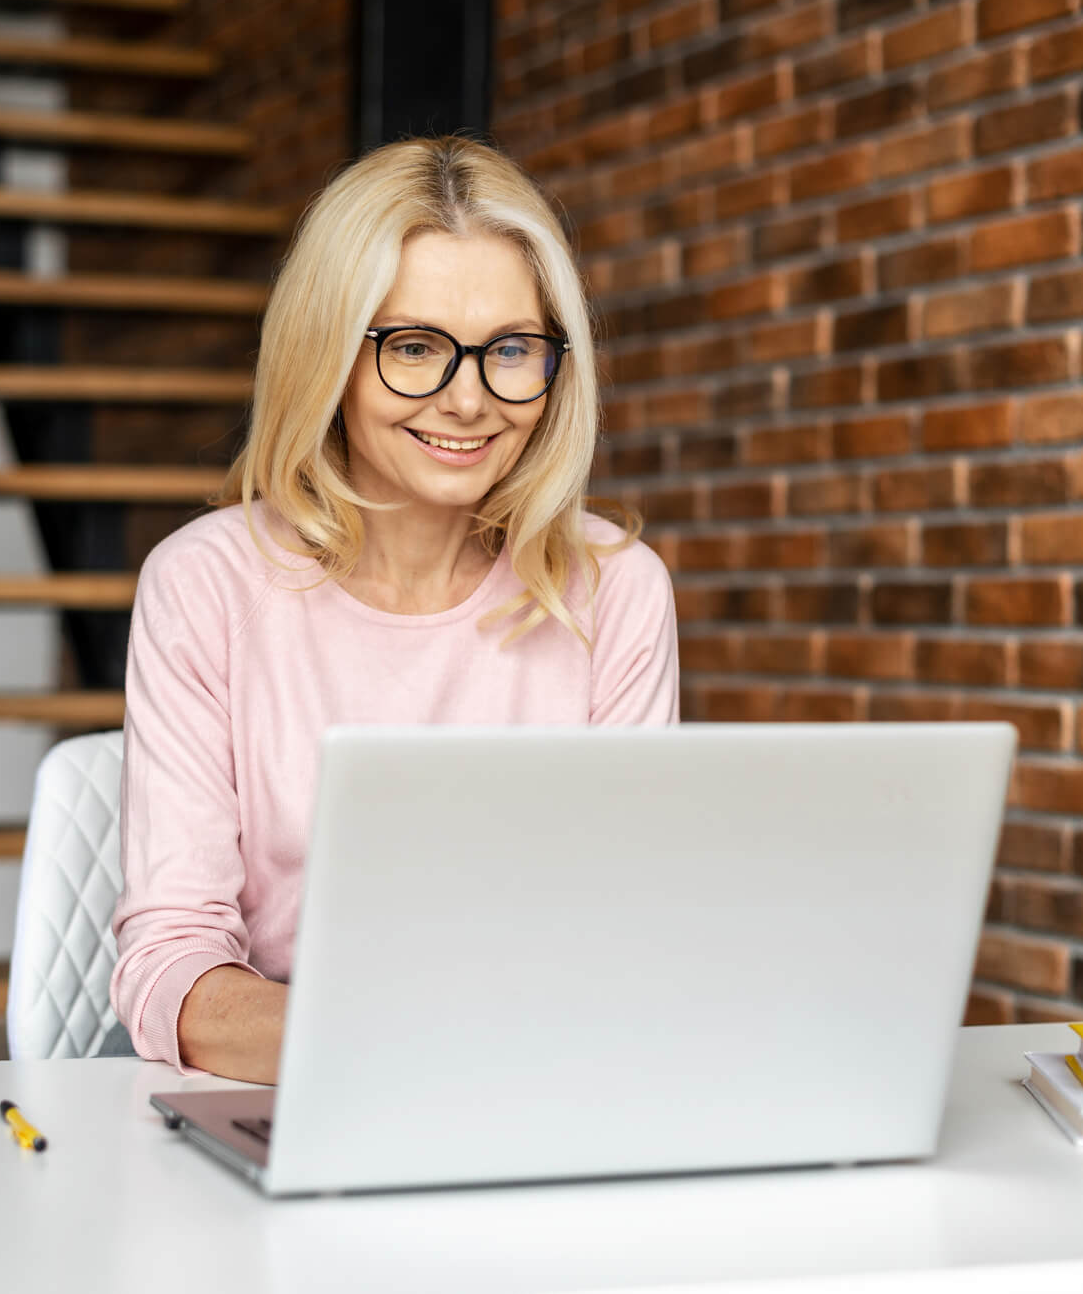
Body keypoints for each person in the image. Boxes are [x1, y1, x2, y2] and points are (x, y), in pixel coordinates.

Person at [107, 135, 680, 1083]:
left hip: (541, 1084)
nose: (469, 401)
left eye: (511, 349)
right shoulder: (203, 585)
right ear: (327, 353)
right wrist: (403, 1045)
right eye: (414, 347)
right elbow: (173, 969)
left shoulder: (616, 590)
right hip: (303, 1083)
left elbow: (629, 932)